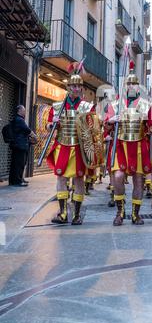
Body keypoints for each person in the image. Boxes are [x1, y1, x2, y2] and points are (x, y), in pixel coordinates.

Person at [46, 62, 99, 225]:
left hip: (79, 148)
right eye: (73, 86)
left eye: (78, 86)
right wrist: (51, 123)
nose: (76, 89)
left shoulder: (87, 107)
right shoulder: (57, 106)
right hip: (62, 145)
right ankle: (62, 213)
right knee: (61, 177)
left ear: (81, 88)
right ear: (68, 87)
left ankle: (76, 214)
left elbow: (94, 131)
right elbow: (48, 127)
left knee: (78, 180)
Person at [106, 61, 151, 226]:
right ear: (124, 87)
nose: (131, 86)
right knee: (118, 177)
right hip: (120, 145)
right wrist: (111, 119)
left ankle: (135, 213)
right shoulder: (115, 105)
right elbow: (105, 125)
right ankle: (120, 211)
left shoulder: (146, 105)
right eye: (128, 83)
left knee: (138, 180)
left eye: (134, 84)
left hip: (139, 145)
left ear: (138, 87)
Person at [9, 105, 36, 187]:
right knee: (19, 163)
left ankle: (17, 179)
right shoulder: (19, 120)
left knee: (16, 163)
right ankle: (17, 181)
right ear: (19, 111)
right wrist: (34, 135)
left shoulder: (17, 119)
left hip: (17, 145)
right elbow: (27, 129)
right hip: (20, 145)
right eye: (23, 110)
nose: (25, 112)